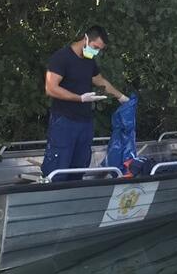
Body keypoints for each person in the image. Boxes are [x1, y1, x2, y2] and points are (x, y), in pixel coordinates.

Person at [42, 26, 128, 180]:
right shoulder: (61, 57)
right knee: (58, 167)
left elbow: (99, 80)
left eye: (99, 50)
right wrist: (80, 98)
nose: (96, 52)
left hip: (85, 122)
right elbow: (51, 88)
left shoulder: (89, 61)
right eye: (95, 47)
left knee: (79, 167)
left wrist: (120, 97)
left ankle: (74, 199)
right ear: (86, 39)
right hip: (64, 121)